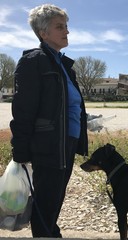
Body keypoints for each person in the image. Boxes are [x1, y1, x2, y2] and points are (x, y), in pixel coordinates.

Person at [10, 4, 88, 238]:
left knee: (55, 200)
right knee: (46, 203)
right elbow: (23, 110)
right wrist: (20, 151)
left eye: (66, 26)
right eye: (60, 26)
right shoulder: (33, 61)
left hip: (67, 143)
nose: (67, 31)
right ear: (43, 33)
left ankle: (50, 233)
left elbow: (70, 107)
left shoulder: (65, 66)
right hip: (48, 145)